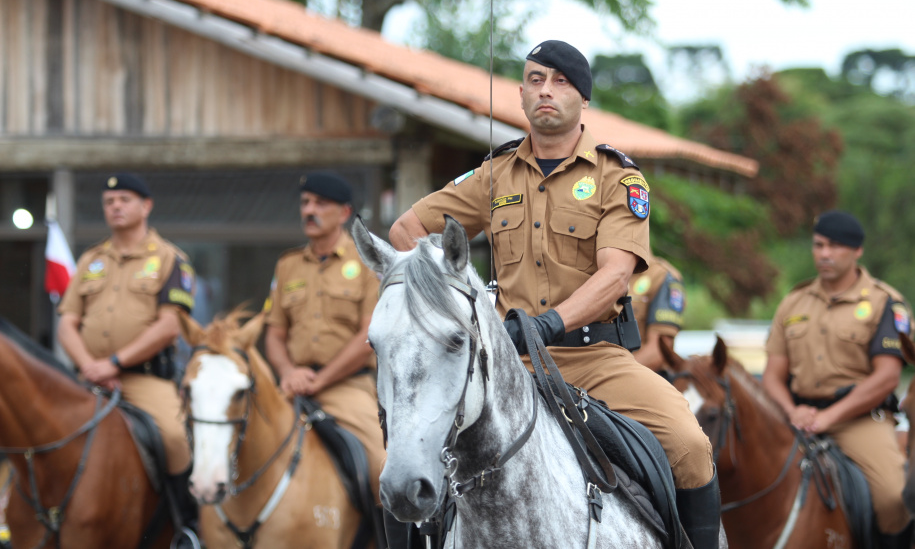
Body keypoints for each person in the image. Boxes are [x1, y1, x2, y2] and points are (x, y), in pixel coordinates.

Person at [389, 40, 719, 548]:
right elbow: (407, 231)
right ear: (520, 94)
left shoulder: (617, 177)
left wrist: (547, 325)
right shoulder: (493, 175)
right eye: (536, 79)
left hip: (595, 359)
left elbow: (615, 273)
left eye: (561, 81)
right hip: (507, 365)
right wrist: (451, 300)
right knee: (403, 455)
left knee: (692, 446)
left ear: (583, 99)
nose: (546, 91)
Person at [57, 173, 198, 544]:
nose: (115, 206)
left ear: (146, 206)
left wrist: (114, 363)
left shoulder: (170, 259)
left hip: (144, 380)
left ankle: (187, 527)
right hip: (86, 378)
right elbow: (66, 324)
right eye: (109, 201)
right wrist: (90, 365)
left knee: (176, 438)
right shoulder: (90, 260)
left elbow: (169, 327)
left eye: (124, 199)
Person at [763, 210, 913, 547]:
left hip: (859, 420)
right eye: (818, 245)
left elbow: (887, 378)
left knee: (893, 498)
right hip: (796, 417)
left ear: (858, 250)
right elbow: (773, 375)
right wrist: (791, 411)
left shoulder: (885, 303)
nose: (825, 254)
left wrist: (828, 418)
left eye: (835, 246)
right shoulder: (793, 301)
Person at [263, 172, 385, 500]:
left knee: (381, 467)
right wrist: (289, 372)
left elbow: (370, 333)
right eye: (304, 203)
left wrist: (322, 379)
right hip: (293, 384)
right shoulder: (287, 265)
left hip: (347, 386)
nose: (308, 210)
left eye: (320, 203)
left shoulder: (366, 261)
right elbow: (274, 335)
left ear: (344, 213)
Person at [630, 251, 686, 372]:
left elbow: (658, 351)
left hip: (640, 378)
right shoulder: (592, 272)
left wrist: (609, 376)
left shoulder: (663, 276)